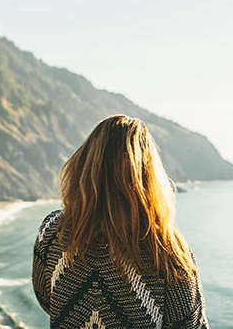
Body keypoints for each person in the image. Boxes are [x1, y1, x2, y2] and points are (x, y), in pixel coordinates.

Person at [32, 114, 210, 328]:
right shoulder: (167, 250)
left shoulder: (52, 231)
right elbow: (191, 325)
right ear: (149, 175)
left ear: (84, 166)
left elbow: (45, 298)